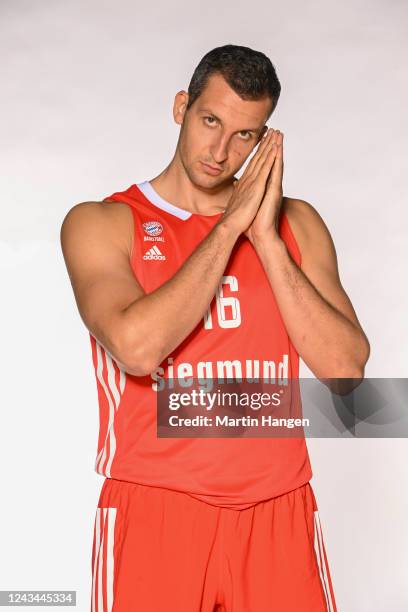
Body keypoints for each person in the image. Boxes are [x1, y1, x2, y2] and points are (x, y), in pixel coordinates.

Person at [60, 44, 370, 612]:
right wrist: (229, 227)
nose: (221, 151)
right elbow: (136, 348)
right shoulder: (104, 222)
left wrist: (268, 241)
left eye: (246, 136)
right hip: (156, 507)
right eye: (211, 121)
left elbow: (347, 373)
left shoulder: (297, 223)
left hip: (279, 508)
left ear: (264, 138)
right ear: (181, 107)